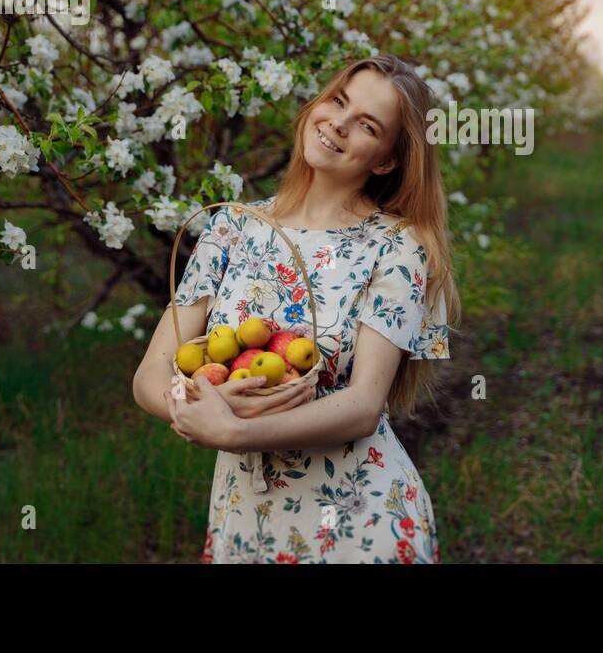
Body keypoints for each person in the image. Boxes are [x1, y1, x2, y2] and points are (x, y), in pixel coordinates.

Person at [133, 54, 458, 563]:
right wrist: (196, 406)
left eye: (367, 125)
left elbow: (363, 405)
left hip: (359, 517)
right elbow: (151, 373)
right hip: (245, 516)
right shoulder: (231, 227)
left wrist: (238, 431)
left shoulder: (398, 246)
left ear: (386, 160)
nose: (339, 125)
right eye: (338, 101)